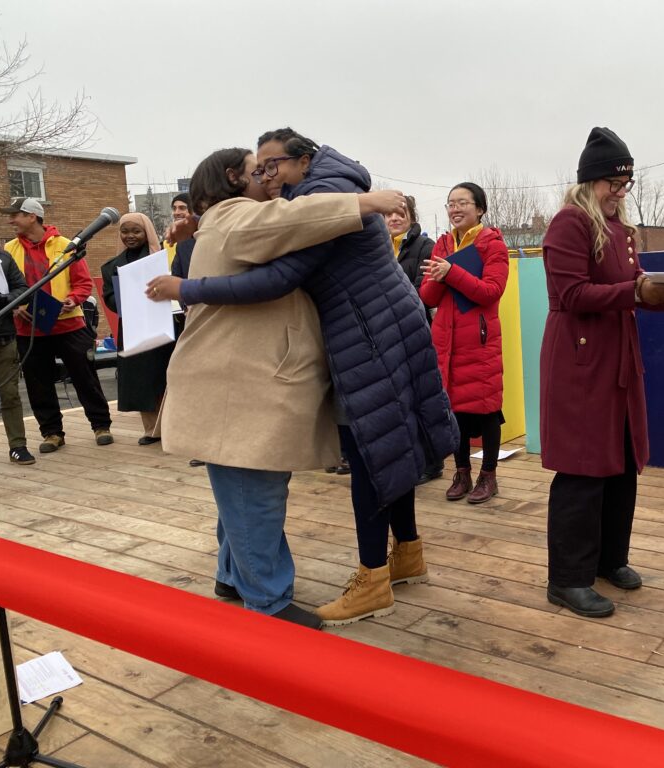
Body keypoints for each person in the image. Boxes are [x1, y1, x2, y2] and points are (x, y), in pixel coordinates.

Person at [150, 136, 454, 628]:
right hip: (238, 386)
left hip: (237, 383)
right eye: (259, 170)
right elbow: (292, 220)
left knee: (238, 489)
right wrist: (365, 202)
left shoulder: (225, 222)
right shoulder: (237, 217)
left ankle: (233, 576)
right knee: (254, 492)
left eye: (274, 168)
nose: (269, 180)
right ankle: (268, 601)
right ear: (234, 181)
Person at [540, 127, 664, 618]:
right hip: (581, 361)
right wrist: (637, 294)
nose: (619, 192)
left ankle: (610, 559)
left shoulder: (622, 230)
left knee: (622, 461)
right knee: (583, 469)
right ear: (589, 182)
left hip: (618, 358)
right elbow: (571, 296)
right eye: (612, 182)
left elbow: (631, 288)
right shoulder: (569, 223)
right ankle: (567, 579)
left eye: (625, 183)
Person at [0, 197, 113, 452]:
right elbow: (4, 289)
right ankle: (51, 433)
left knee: (85, 378)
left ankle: (101, 425)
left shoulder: (66, 246)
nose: (10, 220)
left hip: (68, 325)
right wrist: (17, 308)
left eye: (15, 215)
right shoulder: (8, 250)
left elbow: (84, 284)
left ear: (32, 216)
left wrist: (71, 300)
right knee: (37, 383)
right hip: (28, 329)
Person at [419, 182, 509, 504]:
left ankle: (488, 476)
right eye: (450, 204)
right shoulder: (442, 244)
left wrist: (451, 272)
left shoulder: (492, 244)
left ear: (480, 209)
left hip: (480, 340)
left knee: (487, 410)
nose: (455, 209)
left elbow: (490, 292)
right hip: (447, 341)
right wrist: (439, 276)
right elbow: (428, 296)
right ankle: (461, 473)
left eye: (463, 203)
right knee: (453, 409)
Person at [100, 213, 174, 445]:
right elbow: (110, 298)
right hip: (133, 326)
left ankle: (173, 428)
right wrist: (127, 298)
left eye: (136, 231)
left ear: (147, 232)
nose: (130, 236)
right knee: (142, 379)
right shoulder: (112, 266)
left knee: (167, 375)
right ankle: (152, 430)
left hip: (164, 323)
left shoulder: (163, 258)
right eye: (125, 231)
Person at [386, 195, 442, 482]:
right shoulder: (379, 248)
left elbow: (423, 292)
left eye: (400, 213)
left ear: (411, 215)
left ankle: (432, 462)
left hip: (415, 332)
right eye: (389, 215)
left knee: (421, 399)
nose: (394, 219)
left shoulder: (424, 247)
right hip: (386, 337)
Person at [0, 214, 36, 464]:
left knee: (10, 395)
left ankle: (18, 446)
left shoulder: (3, 258)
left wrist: (0, 300)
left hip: (4, 338)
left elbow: (23, 289)